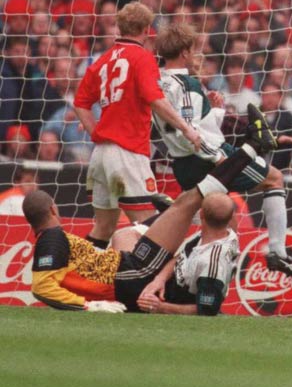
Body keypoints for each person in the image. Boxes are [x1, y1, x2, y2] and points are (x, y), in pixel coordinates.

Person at [23, 105, 279, 313]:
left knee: (125, 234)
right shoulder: (52, 238)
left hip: (124, 273)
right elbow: (42, 287)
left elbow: (76, 272)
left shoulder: (51, 243)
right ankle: (252, 147)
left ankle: (165, 214)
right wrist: (87, 305)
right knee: (189, 201)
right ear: (53, 209)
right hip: (131, 272)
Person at [154, 23, 292, 278]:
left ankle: (192, 271)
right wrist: (221, 157)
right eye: (193, 50)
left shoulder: (156, 82)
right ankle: (277, 251)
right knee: (274, 179)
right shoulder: (187, 83)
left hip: (182, 163)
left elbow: (186, 124)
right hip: (207, 158)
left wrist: (211, 109)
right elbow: (189, 129)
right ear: (185, 53)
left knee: (219, 217)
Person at [73, 2, 203, 248]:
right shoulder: (142, 57)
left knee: (103, 228)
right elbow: (155, 99)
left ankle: (83, 279)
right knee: (150, 225)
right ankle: (140, 283)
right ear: (146, 29)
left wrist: (96, 133)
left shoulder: (103, 60)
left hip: (100, 156)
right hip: (127, 153)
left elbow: (80, 103)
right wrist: (187, 128)